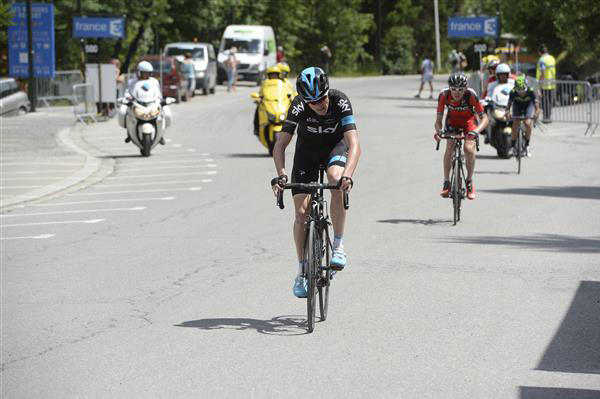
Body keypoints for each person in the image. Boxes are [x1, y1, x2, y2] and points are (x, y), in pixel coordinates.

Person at [271, 67, 361, 298]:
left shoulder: (340, 101)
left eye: (322, 98)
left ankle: (338, 245)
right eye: (313, 102)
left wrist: (347, 175)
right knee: (301, 214)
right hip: (307, 153)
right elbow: (280, 144)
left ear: (327, 92)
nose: (319, 104)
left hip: (335, 149)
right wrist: (281, 175)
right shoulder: (299, 105)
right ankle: (301, 271)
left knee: (335, 179)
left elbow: (354, 143)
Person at [434, 73, 489, 200]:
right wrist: (439, 131)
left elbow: (484, 118)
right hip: (451, 122)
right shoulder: (444, 95)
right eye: (453, 89)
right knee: (449, 146)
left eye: (460, 90)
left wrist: (476, 131)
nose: (456, 93)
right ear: (449, 88)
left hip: (468, 123)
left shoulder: (471, 95)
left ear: (466, 89)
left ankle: (469, 181)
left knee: (469, 149)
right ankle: (446, 181)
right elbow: (438, 120)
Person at [505, 75, 541, 157]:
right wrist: (507, 112)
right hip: (517, 105)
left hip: (528, 105)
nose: (521, 93)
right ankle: (513, 146)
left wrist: (536, 114)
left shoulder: (531, 91)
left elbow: (537, 107)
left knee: (527, 123)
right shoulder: (513, 92)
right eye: (519, 91)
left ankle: (527, 145)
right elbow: (508, 105)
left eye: (523, 91)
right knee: (515, 123)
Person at [536, 44, 556, 123]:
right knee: (550, 101)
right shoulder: (552, 58)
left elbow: (543, 72)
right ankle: (548, 117)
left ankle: (546, 118)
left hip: (544, 84)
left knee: (545, 101)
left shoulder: (542, 60)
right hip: (552, 83)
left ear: (540, 52)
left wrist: (539, 84)